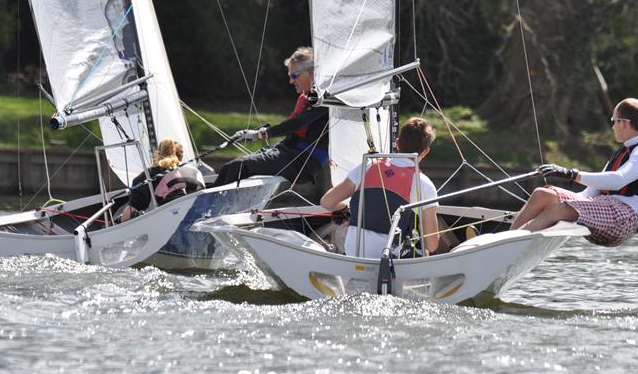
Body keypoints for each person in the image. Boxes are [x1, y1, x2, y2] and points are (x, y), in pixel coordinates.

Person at [511, 98, 638, 246]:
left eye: (614, 121)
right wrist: (557, 195)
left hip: (626, 218)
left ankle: (511, 246)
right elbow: (588, 195)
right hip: (605, 208)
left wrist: (571, 174)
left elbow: (618, 180)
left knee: (556, 209)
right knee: (543, 194)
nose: (612, 126)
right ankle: (507, 239)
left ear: (624, 123)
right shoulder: (621, 154)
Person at [320, 117, 440, 259]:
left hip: (354, 254)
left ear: (397, 144)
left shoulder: (367, 166)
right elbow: (432, 245)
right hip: (389, 260)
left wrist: (346, 209)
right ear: (425, 152)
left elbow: (327, 202)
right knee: (425, 251)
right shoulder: (424, 184)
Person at [212, 46, 329, 187]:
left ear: (311, 73)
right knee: (229, 168)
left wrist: (262, 134)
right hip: (287, 151)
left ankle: (207, 205)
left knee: (238, 167)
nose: (291, 81)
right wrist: (253, 133)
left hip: (303, 162)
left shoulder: (325, 100)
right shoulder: (307, 98)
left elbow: (298, 123)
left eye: (294, 76)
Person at [121, 139, 188, 221]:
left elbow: (130, 212)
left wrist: (119, 221)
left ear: (158, 153)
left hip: (165, 220)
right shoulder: (192, 171)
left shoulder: (148, 175)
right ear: (181, 156)